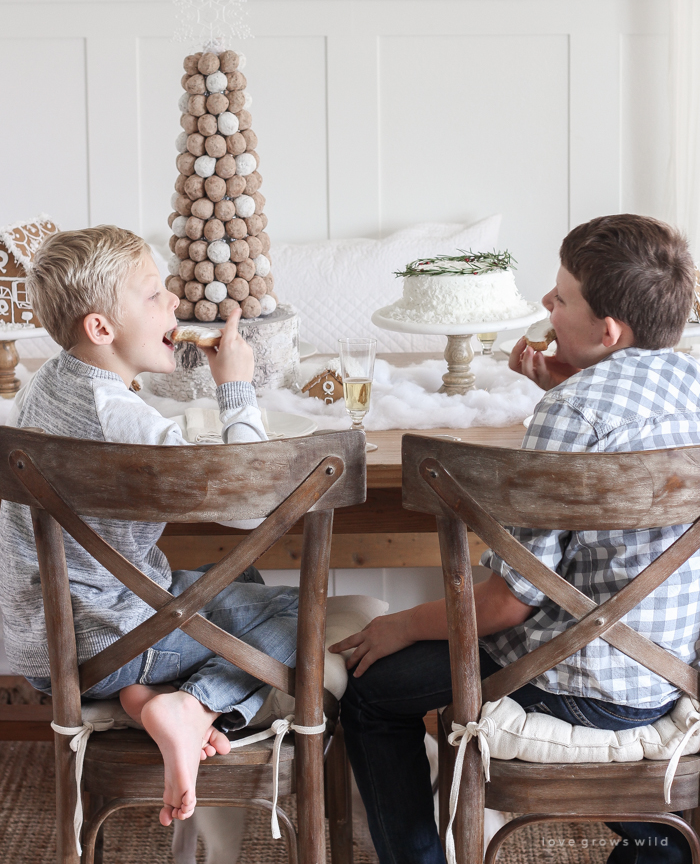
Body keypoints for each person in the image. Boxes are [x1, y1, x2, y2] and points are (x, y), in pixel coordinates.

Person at [330, 214, 700, 864]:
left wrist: (402, 626)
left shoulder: (568, 416)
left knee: (369, 695)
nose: (546, 305)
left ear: (607, 331)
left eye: (561, 298)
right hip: (667, 673)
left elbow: (507, 605)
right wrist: (567, 384)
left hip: (576, 682)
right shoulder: (689, 386)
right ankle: (657, 842)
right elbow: (622, 427)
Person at [0, 225, 299, 827]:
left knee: (248, 578)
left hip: (45, 644)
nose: (173, 303)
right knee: (300, 610)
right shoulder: (120, 417)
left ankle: (141, 701)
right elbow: (247, 506)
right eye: (153, 293)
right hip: (114, 638)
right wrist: (235, 387)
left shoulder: (47, 386)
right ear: (101, 329)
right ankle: (194, 706)